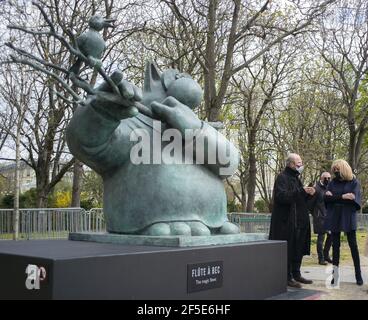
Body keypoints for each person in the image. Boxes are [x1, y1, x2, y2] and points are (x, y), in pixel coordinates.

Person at [269, 153, 315, 288]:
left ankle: (296, 273)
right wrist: (301, 192)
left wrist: (309, 193)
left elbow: (299, 199)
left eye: (301, 162)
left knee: (298, 249)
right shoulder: (282, 177)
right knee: (289, 250)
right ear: (291, 164)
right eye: (298, 163)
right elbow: (281, 197)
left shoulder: (296, 178)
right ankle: (287, 277)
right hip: (286, 222)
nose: (301, 165)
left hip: (300, 221)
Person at [324, 159, 363, 286]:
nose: (335, 171)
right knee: (335, 248)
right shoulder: (332, 183)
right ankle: (335, 277)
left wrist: (334, 198)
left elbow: (354, 201)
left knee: (353, 247)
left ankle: (358, 275)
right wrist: (342, 197)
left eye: (338, 169)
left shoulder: (354, 182)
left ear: (344, 169)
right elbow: (326, 199)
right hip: (334, 217)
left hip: (348, 216)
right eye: (334, 169)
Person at [310, 172, 332, 265]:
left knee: (331, 236)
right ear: (321, 178)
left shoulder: (329, 188)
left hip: (329, 216)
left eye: (329, 178)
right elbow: (310, 204)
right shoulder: (316, 189)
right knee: (321, 238)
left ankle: (326, 255)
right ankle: (321, 258)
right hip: (320, 217)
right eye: (325, 178)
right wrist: (316, 214)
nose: (327, 179)